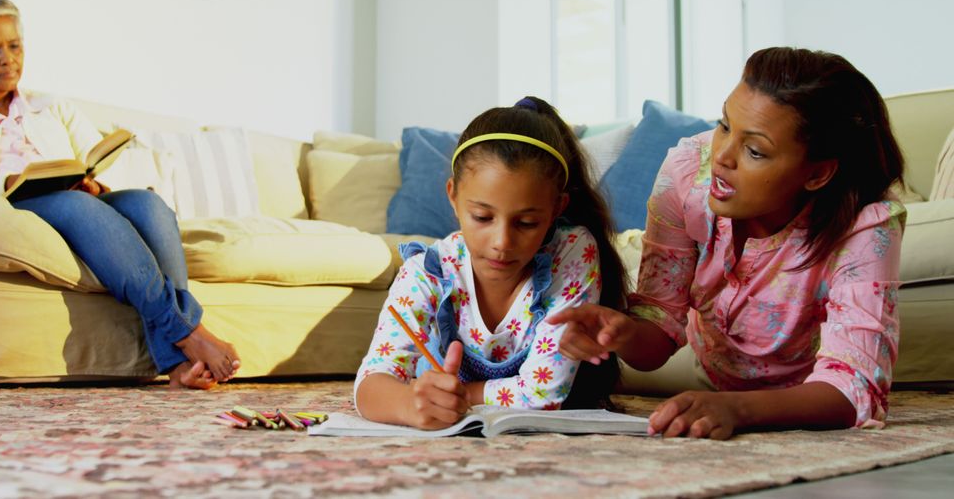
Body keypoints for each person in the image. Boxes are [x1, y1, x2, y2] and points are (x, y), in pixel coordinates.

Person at [547, 47, 906, 439]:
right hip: (704, 360)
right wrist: (625, 334)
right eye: (724, 125)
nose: (721, 156)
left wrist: (738, 409)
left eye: (754, 150)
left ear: (818, 174)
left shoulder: (868, 225)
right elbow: (659, 324)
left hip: (807, 389)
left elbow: (855, 390)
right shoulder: (687, 172)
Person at [0, 0, 239, 389]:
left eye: (14, 46)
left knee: (148, 203)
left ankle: (179, 365)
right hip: (16, 202)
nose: (7, 59)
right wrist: (0, 182)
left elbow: (94, 155)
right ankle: (188, 333)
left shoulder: (54, 107)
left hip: (76, 196)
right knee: (77, 205)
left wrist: (95, 181)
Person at [353, 96, 628, 429]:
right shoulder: (427, 272)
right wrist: (409, 404)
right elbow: (371, 383)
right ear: (453, 196)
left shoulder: (572, 251)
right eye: (482, 217)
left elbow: (544, 393)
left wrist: (465, 394)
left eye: (527, 223)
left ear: (557, 209)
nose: (502, 243)